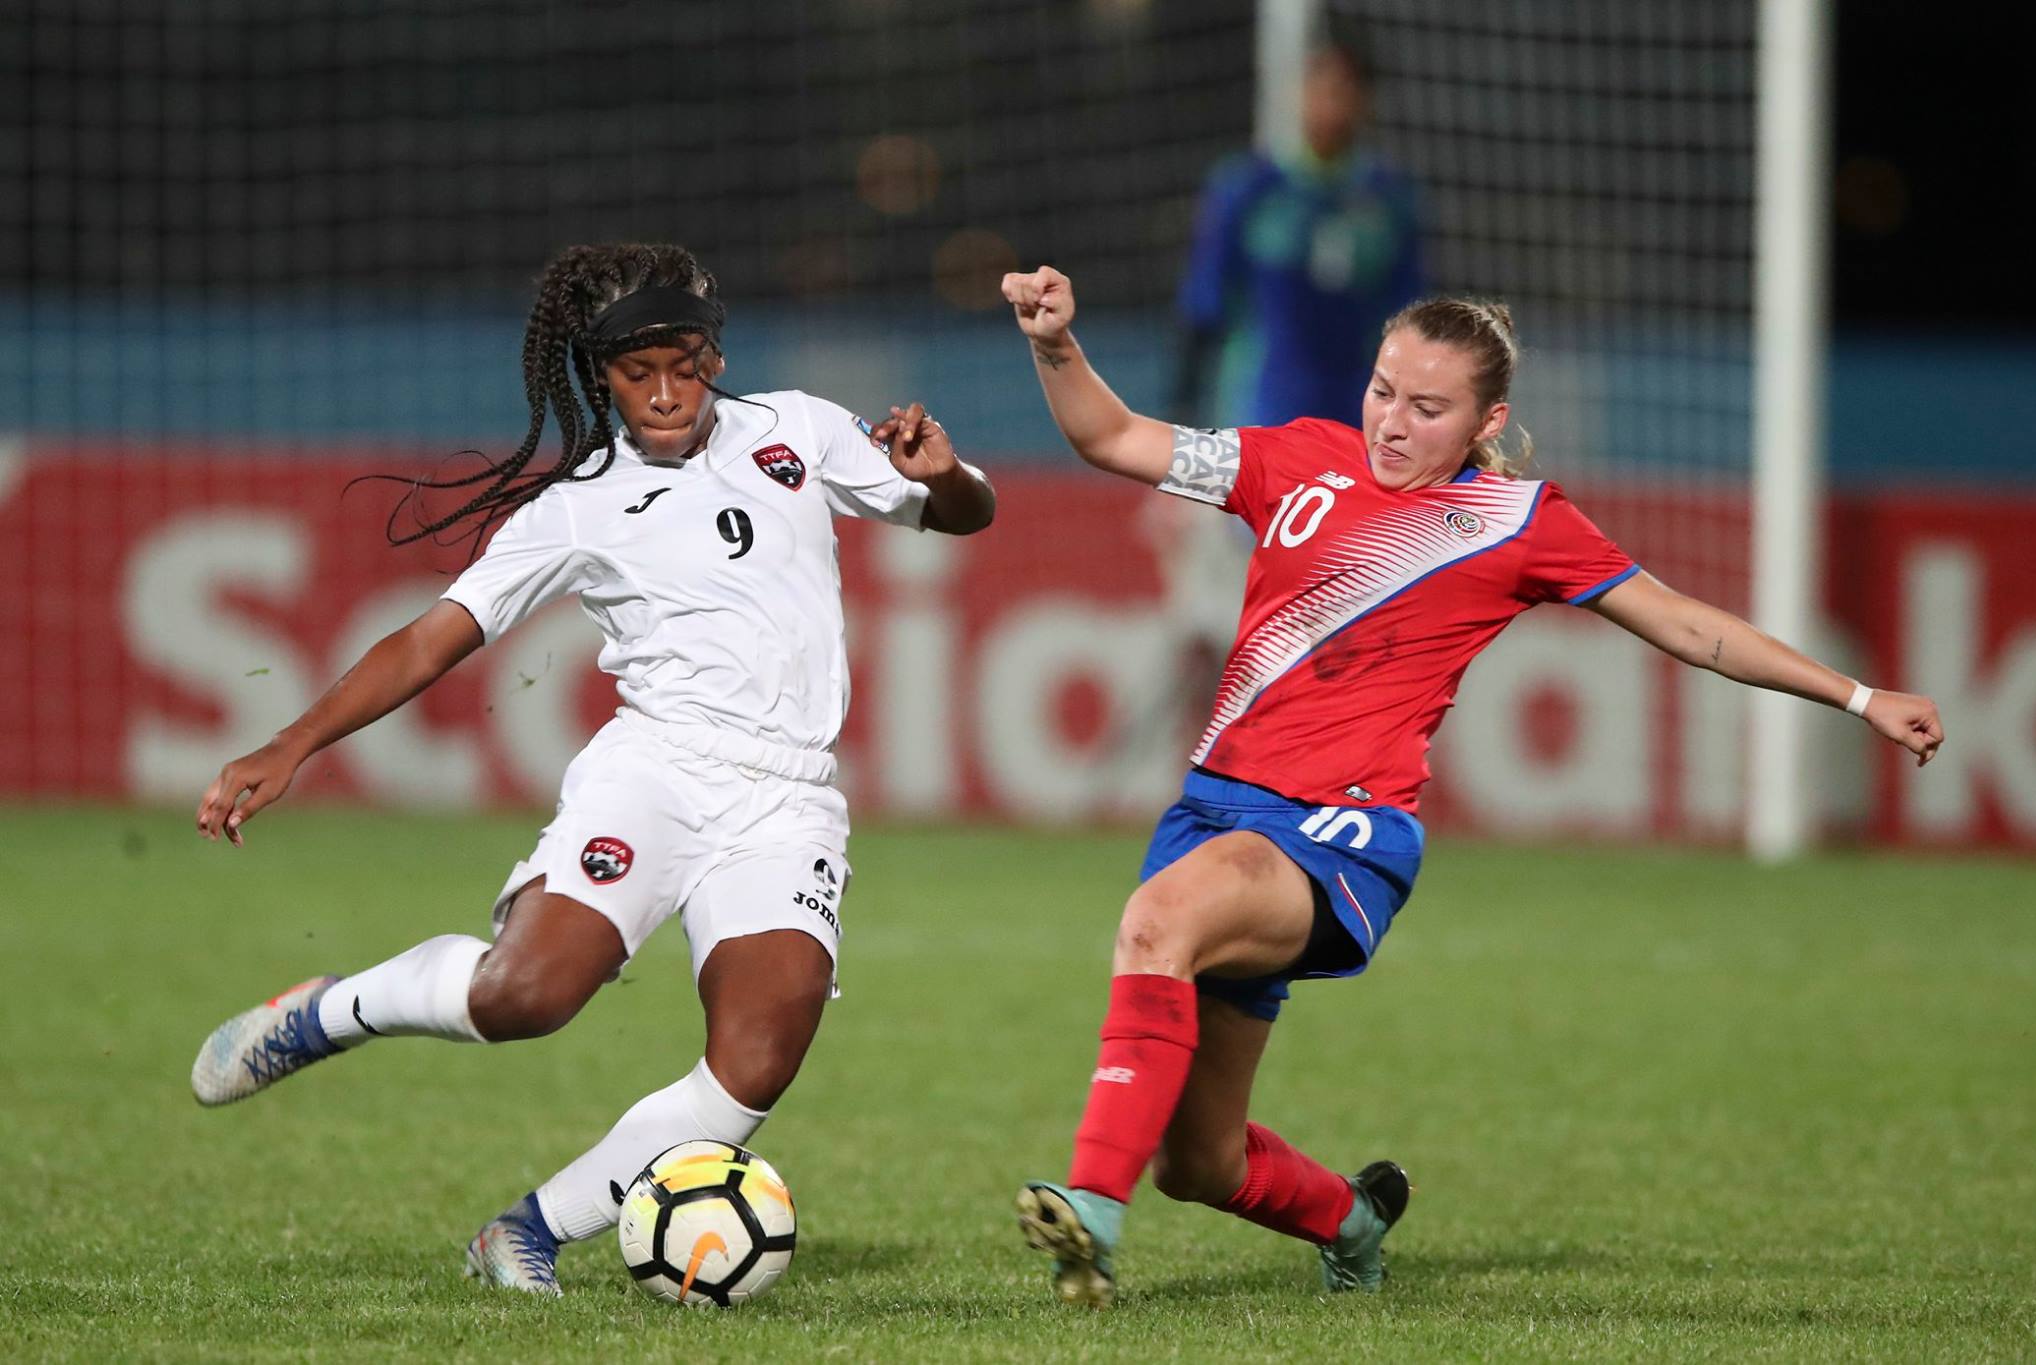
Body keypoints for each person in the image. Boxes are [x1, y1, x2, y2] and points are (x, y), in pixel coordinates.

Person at [998, 264, 1944, 1307]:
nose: (1391, 423)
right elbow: (1112, 437)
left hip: (1339, 833)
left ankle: (1087, 1210)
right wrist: (1053, 344)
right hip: (1214, 811)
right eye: (1381, 390)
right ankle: (1350, 1220)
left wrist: (1857, 698)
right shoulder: (1297, 460)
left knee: (1153, 922)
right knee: (1200, 1160)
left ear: (1487, 418)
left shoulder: (1514, 521)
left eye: (1426, 407)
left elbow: (1688, 625)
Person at [188, 242, 995, 1296]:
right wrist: (291, 741)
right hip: (656, 770)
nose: (663, 393)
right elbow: (432, 640)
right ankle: (330, 1012)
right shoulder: (579, 505)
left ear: (712, 352)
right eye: (634, 371)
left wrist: (946, 474)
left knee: (757, 1058)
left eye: (684, 363)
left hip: (788, 797)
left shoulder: (796, 426)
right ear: (597, 371)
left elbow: (961, 513)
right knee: (523, 994)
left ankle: (524, 1233)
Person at [1172, 43, 1425, 430]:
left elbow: (1408, 307)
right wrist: (1185, 399)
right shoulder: (1249, 188)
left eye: (1344, 90)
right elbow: (1206, 297)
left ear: (1364, 100)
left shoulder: (1388, 199)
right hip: (1264, 396)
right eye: (1319, 87)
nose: (1330, 103)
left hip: (1357, 397)